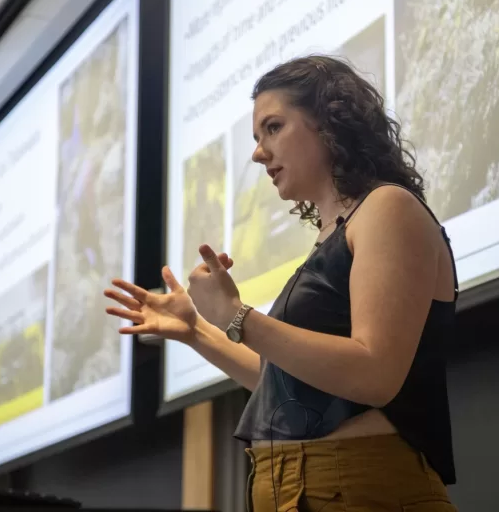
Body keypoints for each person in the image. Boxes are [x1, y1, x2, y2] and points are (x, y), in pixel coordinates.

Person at [104, 55, 459, 511]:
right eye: (256, 136)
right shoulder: (331, 235)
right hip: (293, 490)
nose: (257, 152)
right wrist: (197, 331)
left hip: (364, 486)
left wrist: (237, 316)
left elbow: (374, 373)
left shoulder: (389, 207)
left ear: (330, 123)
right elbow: (287, 383)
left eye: (273, 128)